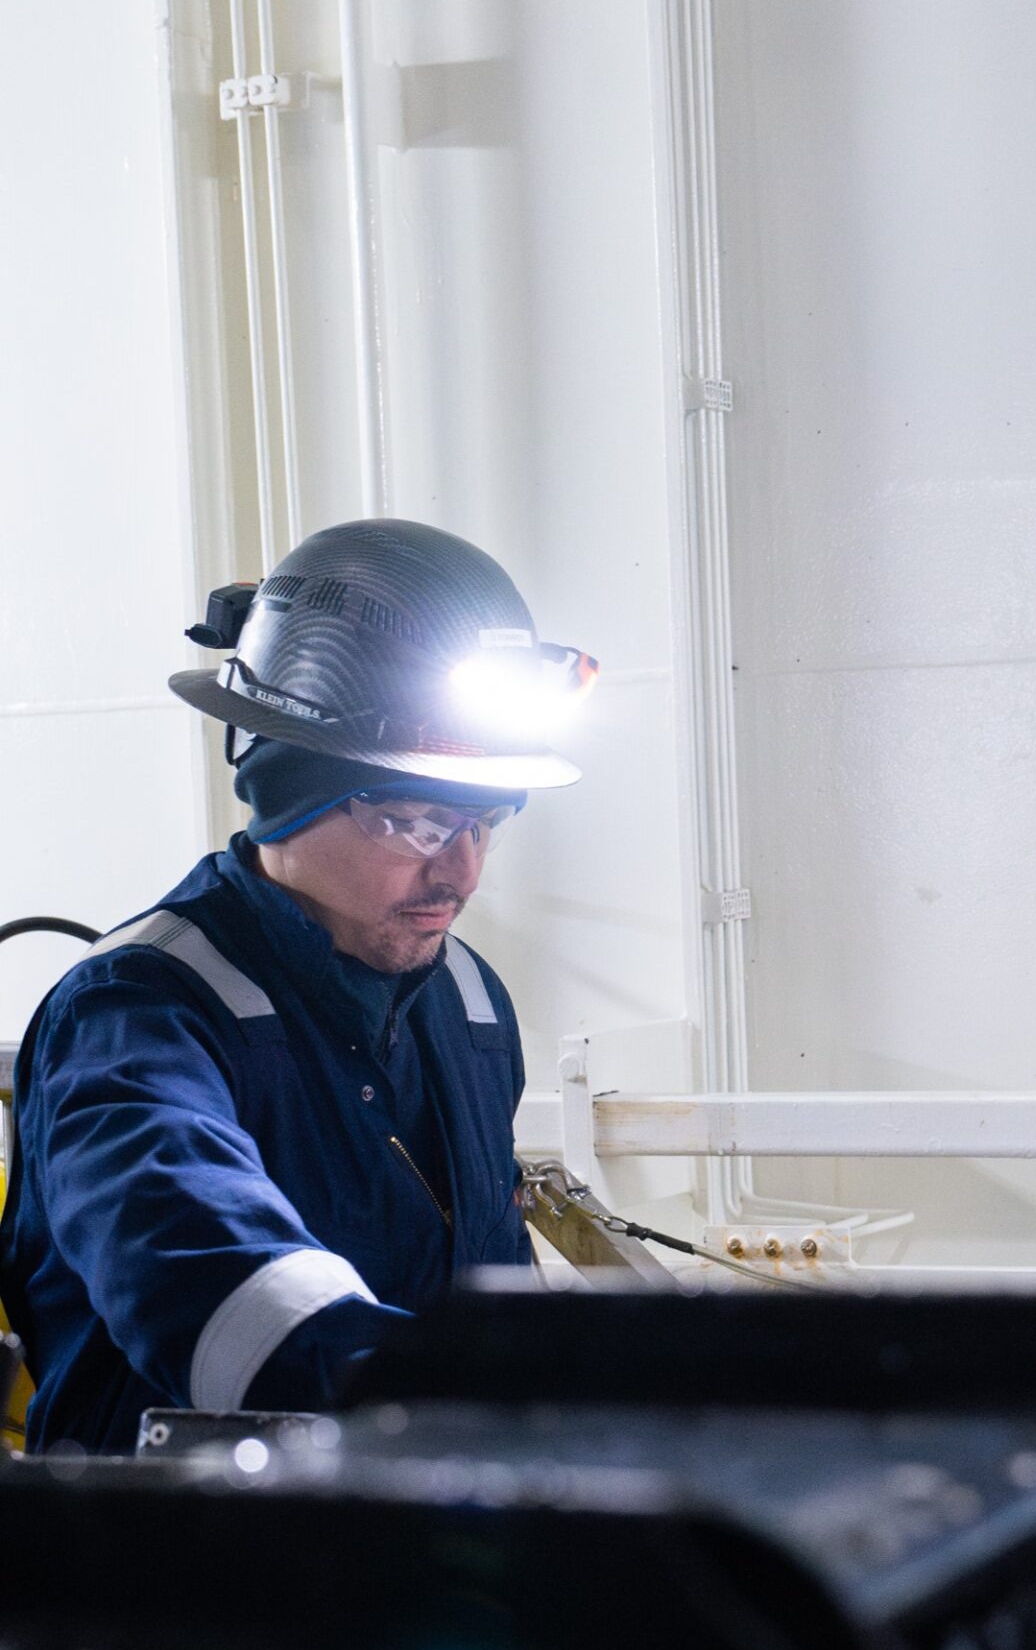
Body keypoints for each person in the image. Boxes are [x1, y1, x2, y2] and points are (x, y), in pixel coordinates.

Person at [0, 518, 595, 1455]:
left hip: (422, 1543)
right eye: (414, 822)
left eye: (486, 822)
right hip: (176, 1573)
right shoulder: (135, 1017)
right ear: (287, 794)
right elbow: (213, 1294)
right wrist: (489, 1412)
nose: (460, 875)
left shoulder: (469, 1002)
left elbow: (489, 1285)